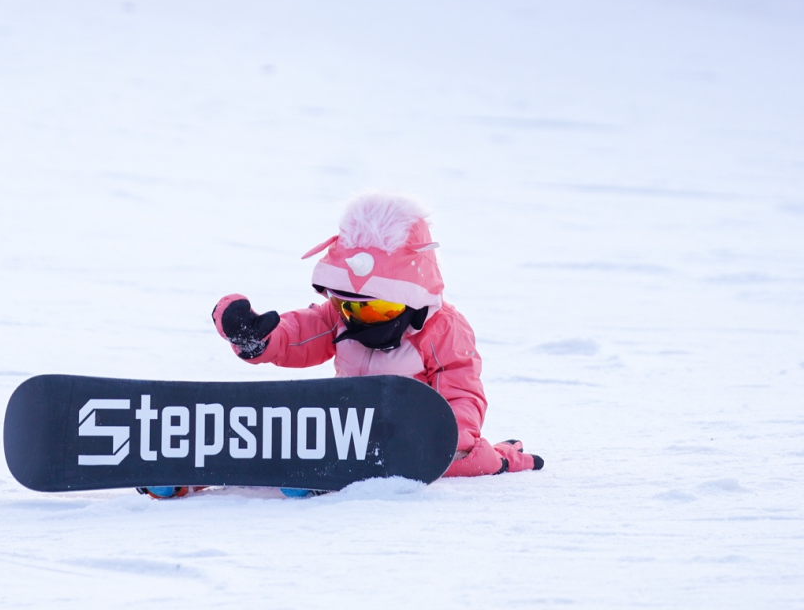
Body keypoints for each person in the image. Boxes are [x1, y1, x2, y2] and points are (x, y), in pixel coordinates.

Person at [144, 193, 542, 499]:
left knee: (467, 458)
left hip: (409, 437)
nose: (358, 319)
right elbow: (298, 335)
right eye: (350, 306)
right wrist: (256, 338)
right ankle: (181, 473)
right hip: (343, 427)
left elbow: (463, 391)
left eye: (378, 308)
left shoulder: (442, 330)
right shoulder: (339, 317)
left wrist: (443, 437)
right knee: (270, 433)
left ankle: (506, 459)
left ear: (412, 300)